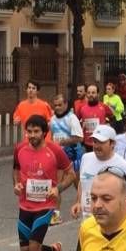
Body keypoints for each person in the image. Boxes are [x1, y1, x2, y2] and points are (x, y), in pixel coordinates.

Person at [13, 115, 76, 251]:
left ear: (44, 132)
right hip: (25, 204)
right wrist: (16, 185)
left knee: (33, 247)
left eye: (36, 131)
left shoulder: (55, 150)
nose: (32, 135)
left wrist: (58, 188)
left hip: (45, 205)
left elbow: (71, 174)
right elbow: (16, 170)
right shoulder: (20, 149)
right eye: (29, 131)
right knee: (25, 249)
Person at [70, 125, 126, 251]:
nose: (96, 146)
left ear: (112, 143)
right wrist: (77, 202)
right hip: (87, 225)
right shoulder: (86, 158)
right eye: (94, 141)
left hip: (110, 230)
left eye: (101, 142)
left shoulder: (122, 165)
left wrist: (114, 213)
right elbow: (83, 182)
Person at [49, 93, 85, 225]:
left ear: (65, 104)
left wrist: (65, 141)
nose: (57, 107)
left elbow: (80, 138)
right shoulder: (52, 119)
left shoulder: (72, 118)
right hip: (58, 156)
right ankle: (56, 215)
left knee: (78, 183)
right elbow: (53, 137)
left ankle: (84, 205)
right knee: (56, 185)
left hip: (73, 154)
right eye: (55, 105)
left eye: (60, 105)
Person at [76, 84, 114, 152]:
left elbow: (112, 117)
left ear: (98, 94)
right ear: (86, 94)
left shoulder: (103, 107)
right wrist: (81, 127)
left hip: (101, 142)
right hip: (86, 144)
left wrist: (107, 125)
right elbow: (76, 122)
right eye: (89, 92)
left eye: (93, 93)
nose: (91, 95)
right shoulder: (81, 107)